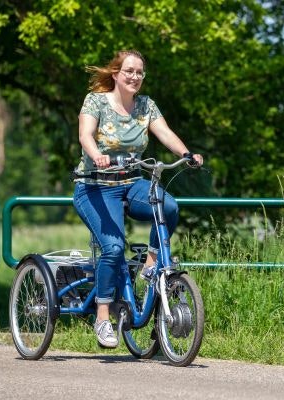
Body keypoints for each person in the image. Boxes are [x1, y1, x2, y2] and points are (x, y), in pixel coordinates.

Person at [72, 50, 203, 348]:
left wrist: (186, 154)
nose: (135, 77)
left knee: (168, 207)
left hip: (131, 183)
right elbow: (85, 135)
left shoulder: (146, 105)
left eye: (139, 72)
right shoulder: (96, 100)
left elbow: (165, 133)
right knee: (114, 248)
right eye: (129, 71)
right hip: (94, 186)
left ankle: (152, 263)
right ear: (116, 73)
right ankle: (103, 316)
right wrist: (97, 156)